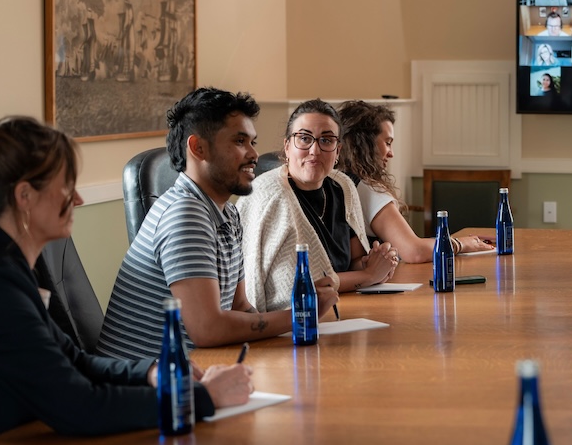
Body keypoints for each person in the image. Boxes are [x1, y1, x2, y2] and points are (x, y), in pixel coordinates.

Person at [0, 116, 252, 445]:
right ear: (24, 196)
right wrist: (202, 398)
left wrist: (154, 372)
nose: (78, 198)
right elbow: (80, 407)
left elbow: (75, 362)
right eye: (66, 186)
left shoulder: (3, 270)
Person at [100, 89, 337, 359]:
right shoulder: (185, 214)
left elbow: (240, 306)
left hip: (201, 369)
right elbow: (208, 329)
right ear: (198, 148)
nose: (253, 154)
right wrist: (302, 314)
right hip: (149, 387)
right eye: (239, 141)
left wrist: (297, 317)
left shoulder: (226, 213)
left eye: (252, 142)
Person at [237, 99, 401, 312]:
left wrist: (380, 260)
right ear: (287, 147)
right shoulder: (271, 196)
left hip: (344, 309)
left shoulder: (344, 187)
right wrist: (368, 275)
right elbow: (297, 288)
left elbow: (355, 260)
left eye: (326, 140)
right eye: (304, 139)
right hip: (290, 322)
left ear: (337, 151)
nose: (314, 150)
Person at [336, 101, 494, 264]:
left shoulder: (338, 180)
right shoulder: (367, 189)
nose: (391, 153)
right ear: (365, 144)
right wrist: (460, 244)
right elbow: (414, 251)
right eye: (388, 143)